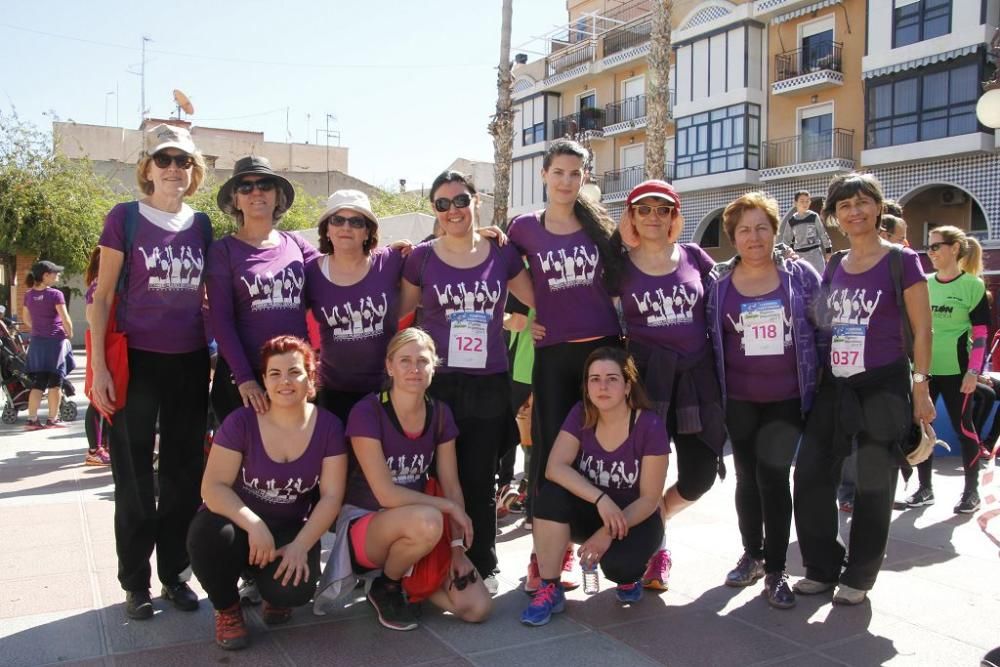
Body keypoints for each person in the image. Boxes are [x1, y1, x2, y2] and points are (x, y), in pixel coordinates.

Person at [88, 124, 213, 620]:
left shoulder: (202, 224)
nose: (173, 169)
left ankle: (175, 576)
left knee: (184, 472)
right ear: (148, 168)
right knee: (135, 475)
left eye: (183, 161)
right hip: (135, 361)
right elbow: (102, 297)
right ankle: (135, 583)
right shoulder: (125, 218)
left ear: (194, 170)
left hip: (187, 360)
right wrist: (97, 366)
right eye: (164, 160)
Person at [793, 172, 934, 605]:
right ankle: (821, 566)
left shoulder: (901, 261)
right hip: (837, 382)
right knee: (812, 474)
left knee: (874, 483)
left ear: (877, 207)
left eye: (862, 202)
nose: (854, 212)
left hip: (884, 381)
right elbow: (824, 322)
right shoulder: (834, 264)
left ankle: (860, 576)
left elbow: (923, 328)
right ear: (834, 217)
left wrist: (920, 387)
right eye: (844, 206)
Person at [400, 170, 534, 586]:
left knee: (480, 476)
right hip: (435, 383)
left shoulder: (503, 253)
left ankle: (482, 561)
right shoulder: (420, 258)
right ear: (434, 211)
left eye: (460, 200)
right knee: (431, 475)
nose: (452, 210)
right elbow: (398, 318)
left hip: (489, 381)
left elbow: (540, 298)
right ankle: (428, 560)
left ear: (477, 202)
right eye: (442, 204)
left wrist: (543, 327)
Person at [314, 328, 492, 630]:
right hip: (368, 524)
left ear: (434, 366)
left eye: (422, 361)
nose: (414, 369)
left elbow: (451, 484)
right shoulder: (367, 411)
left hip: (420, 526)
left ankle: (409, 583)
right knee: (428, 520)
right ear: (389, 366)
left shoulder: (439, 414)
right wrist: (448, 508)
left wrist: (458, 548)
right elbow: (386, 495)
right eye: (405, 360)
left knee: (477, 607)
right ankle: (387, 585)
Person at [508, 139, 624, 592]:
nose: (566, 181)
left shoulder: (599, 228)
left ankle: (591, 540)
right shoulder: (522, 229)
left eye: (575, 173)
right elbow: (485, 274)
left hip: (603, 354)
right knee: (548, 456)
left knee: (599, 451)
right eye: (558, 172)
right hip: (553, 357)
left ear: (585, 178)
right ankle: (547, 556)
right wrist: (519, 319)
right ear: (543, 174)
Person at [187, 336, 347, 650]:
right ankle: (228, 608)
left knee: (295, 590)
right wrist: (254, 524)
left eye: (294, 372)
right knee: (207, 536)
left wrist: (301, 545)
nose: (285, 381)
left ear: (310, 377)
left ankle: (270, 588)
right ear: (264, 380)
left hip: (288, 527)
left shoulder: (328, 427)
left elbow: (331, 496)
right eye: (275, 373)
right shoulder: (241, 422)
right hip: (237, 523)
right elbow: (212, 486)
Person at [706, 192, 823, 609]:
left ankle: (776, 569)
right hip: (737, 398)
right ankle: (752, 554)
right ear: (733, 237)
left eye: (761, 228)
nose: (753, 237)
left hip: (786, 399)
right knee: (745, 479)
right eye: (743, 230)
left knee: (772, 478)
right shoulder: (717, 284)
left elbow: (823, 328)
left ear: (775, 231)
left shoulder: (801, 276)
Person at [614, 179, 726, 592]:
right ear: (632, 217)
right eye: (644, 209)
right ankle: (655, 549)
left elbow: (728, 301)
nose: (653, 217)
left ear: (675, 217)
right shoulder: (618, 268)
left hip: (698, 382)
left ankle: (656, 519)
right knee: (645, 476)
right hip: (646, 384)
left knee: (698, 477)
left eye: (663, 209)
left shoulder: (696, 257)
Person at [520, 347, 668, 626]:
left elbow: (649, 499)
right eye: (594, 379)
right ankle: (550, 587)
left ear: (627, 386)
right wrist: (600, 499)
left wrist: (606, 533)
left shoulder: (649, 425)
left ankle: (631, 577)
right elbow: (555, 467)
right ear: (586, 386)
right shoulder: (581, 413)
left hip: (636, 518)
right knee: (549, 496)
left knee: (620, 568)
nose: (602, 386)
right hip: (595, 510)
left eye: (612, 378)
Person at [206, 156, 320, 423]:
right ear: (235, 200)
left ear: (277, 196)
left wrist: (385, 255)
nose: (256, 191)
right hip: (245, 380)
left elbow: (338, 270)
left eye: (265, 184)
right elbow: (221, 320)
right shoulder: (223, 251)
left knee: (293, 459)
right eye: (245, 187)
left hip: (292, 377)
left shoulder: (297, 244)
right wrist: (245, 379)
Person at [907, 225, 989, 513]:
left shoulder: (973, 285)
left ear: (954, 248)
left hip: (958, 372)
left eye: (935, 246)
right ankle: (924, 488)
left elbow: (981, 333)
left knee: (964, 429)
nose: (929, 253)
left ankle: (971, 492)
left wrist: (973, 371)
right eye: (927, 247)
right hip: (925, 371)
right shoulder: (924, 283)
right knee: (923, 428)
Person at [304, 189, 403, 423]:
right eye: (337, 220)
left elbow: (440, 249)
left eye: (356, 221)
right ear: (326, 229)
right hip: (333, 392)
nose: (346, 227)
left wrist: (474, 233)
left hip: (386, 389)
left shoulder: (391, 261)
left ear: (368, 231)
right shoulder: (310, 272)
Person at [21, 260, 73, 430]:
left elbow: (26, 319)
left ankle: (32, 420)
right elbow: (65, 318)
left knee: (38, 382)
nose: (57, 275)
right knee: (55, 382)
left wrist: (37, 329)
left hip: (37, 342)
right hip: (55, 343)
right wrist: (69, 333)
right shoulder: (55, 294)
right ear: (45, 275)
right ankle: (52, 419)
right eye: (55, 272)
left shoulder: (28, 295)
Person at [82, 247, 111, 464]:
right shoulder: (98, 287)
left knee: (107, 399)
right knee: (97, 400)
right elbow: (93, 319)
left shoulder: (103, 285)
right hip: (103, 345)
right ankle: (94, 450)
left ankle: (104, 446)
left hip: (107, 343)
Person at [779, 190, 831, 274]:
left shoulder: (813, 216)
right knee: (803, 281)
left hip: (815, 254)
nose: (805, 203)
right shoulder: (792, 221)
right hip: (800, 255)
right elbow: (786, 240)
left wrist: (828, 251)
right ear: (795, 203)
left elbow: (822, 234)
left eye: (807, 201)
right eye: (802, 201)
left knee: (820, 279)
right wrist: (785, 256)